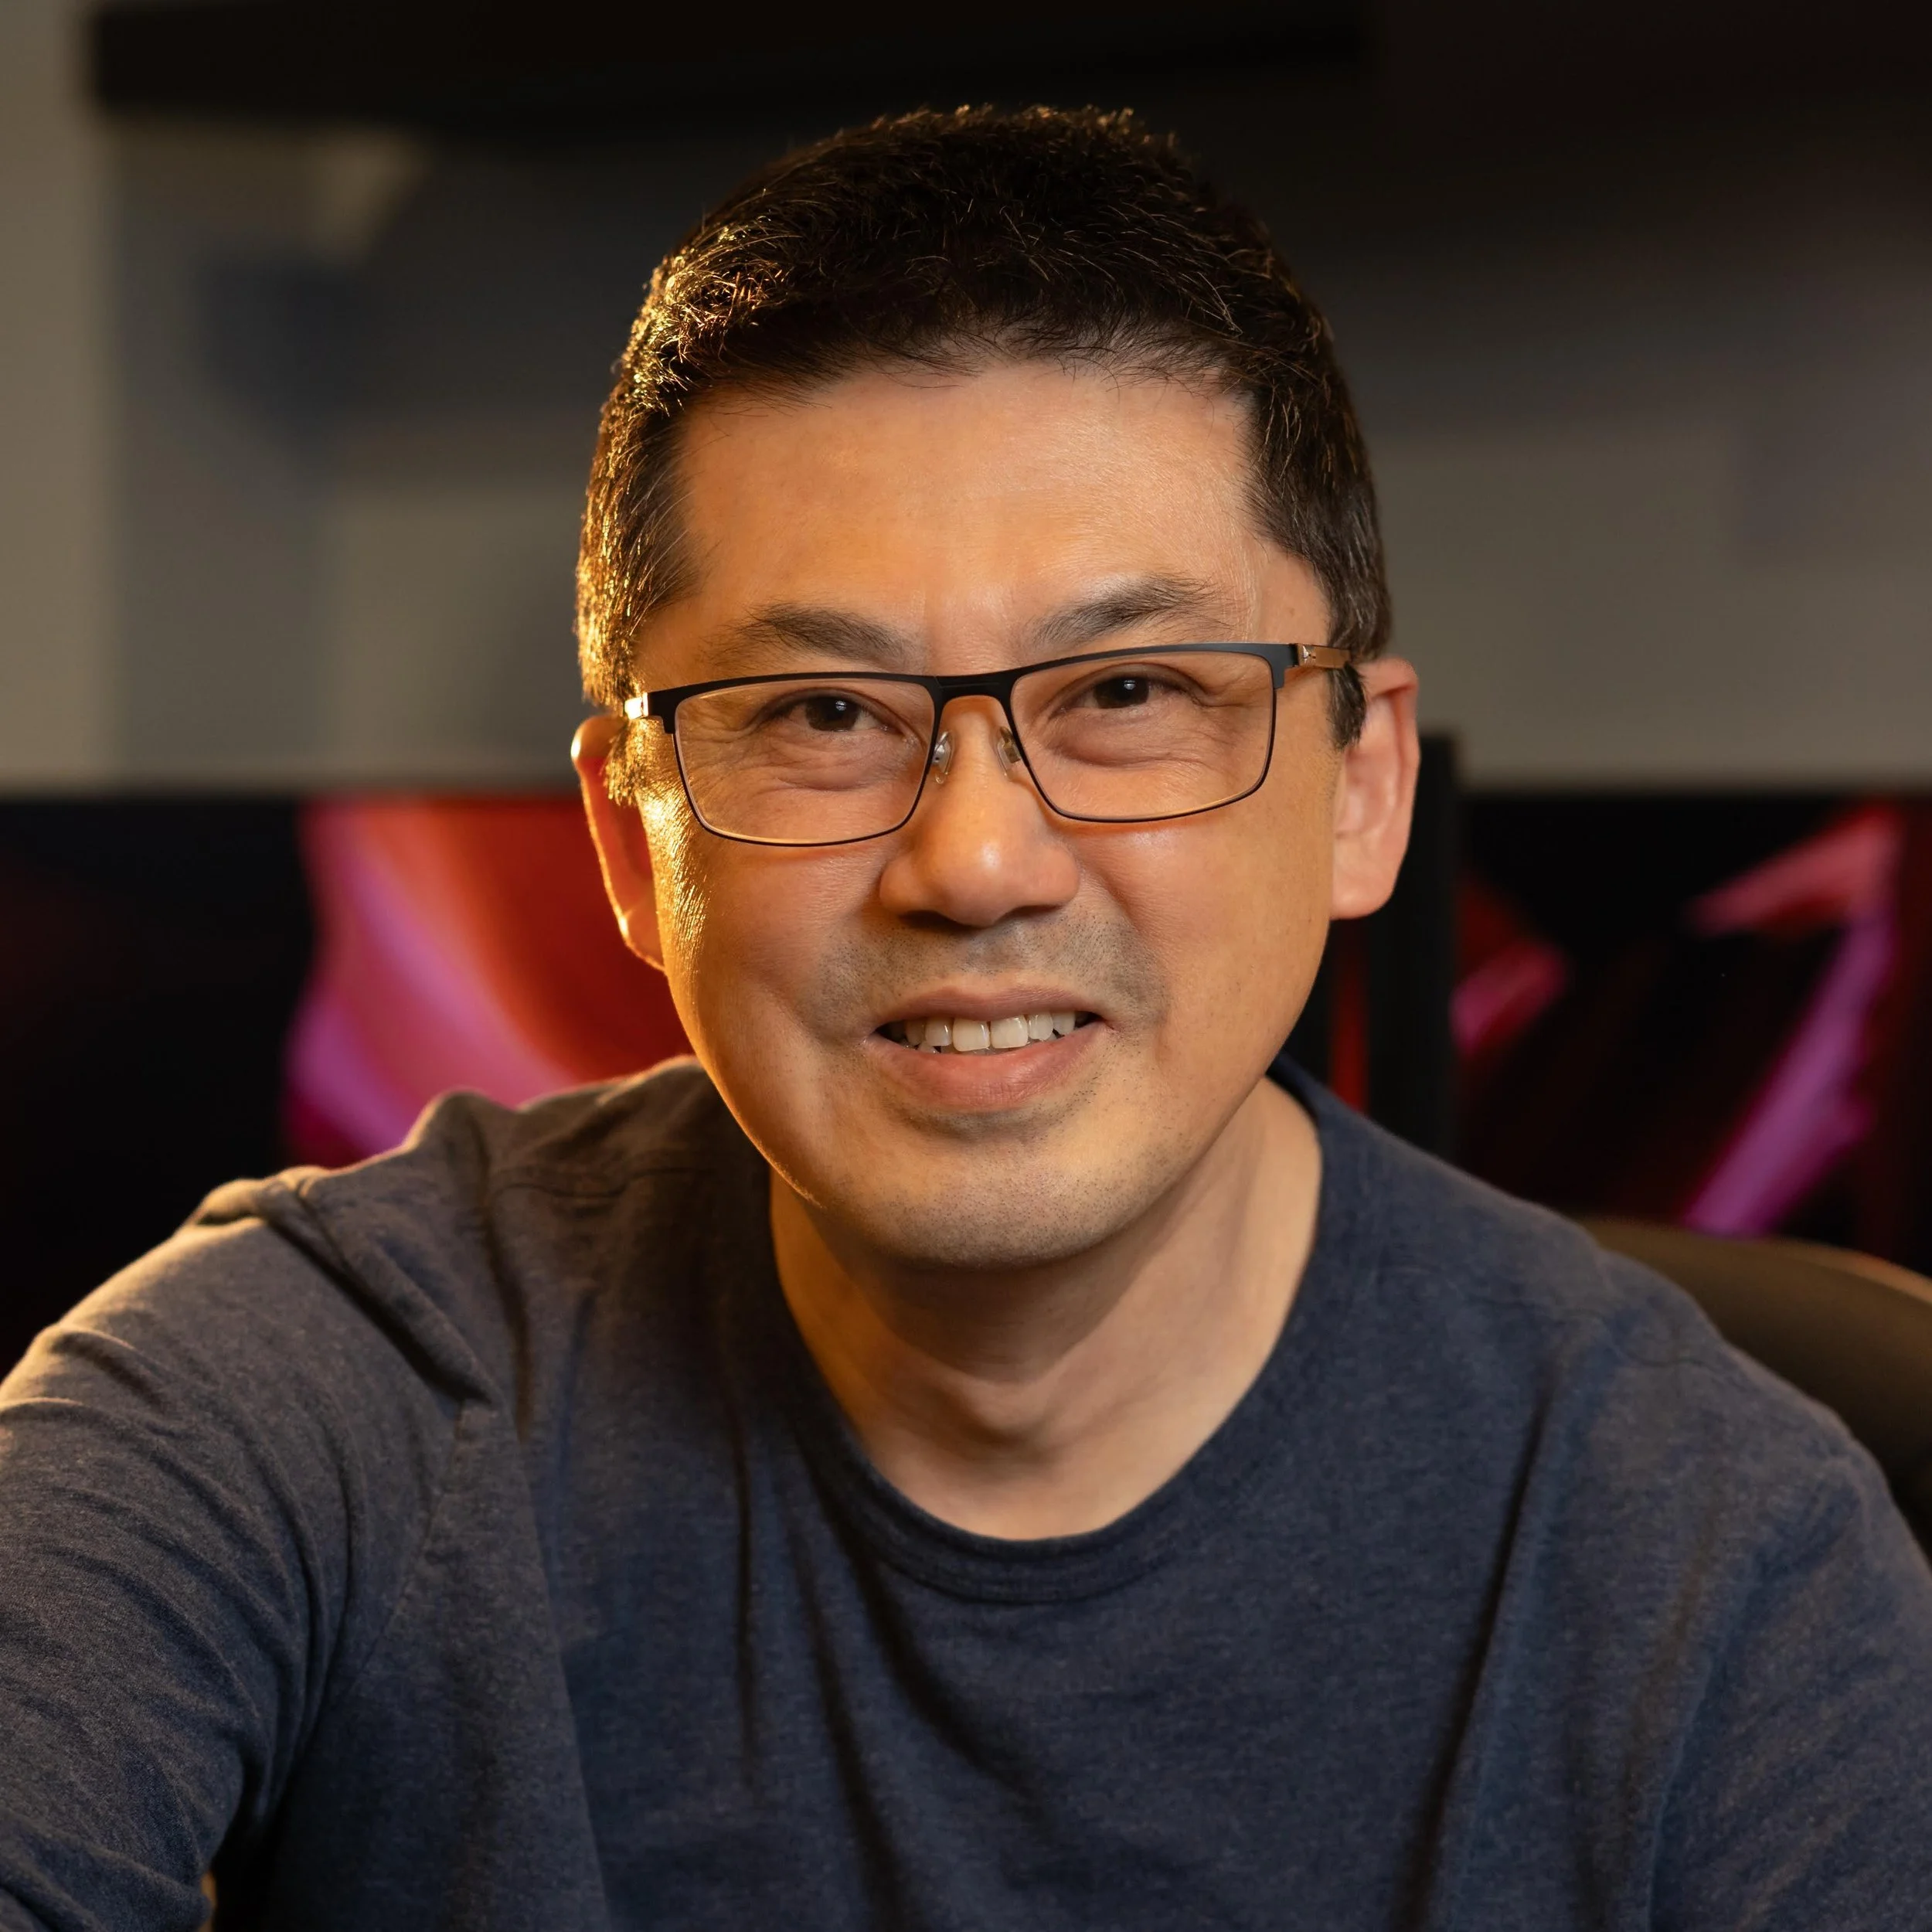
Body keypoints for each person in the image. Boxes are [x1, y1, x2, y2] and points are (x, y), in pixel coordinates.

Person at [3, 106, 1930, 1932]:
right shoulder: (301, 1390)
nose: (981, 858)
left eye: (1129, 693)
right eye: (823, 715)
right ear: (624, 835)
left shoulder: (1721, 1563)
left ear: (1359, 786)